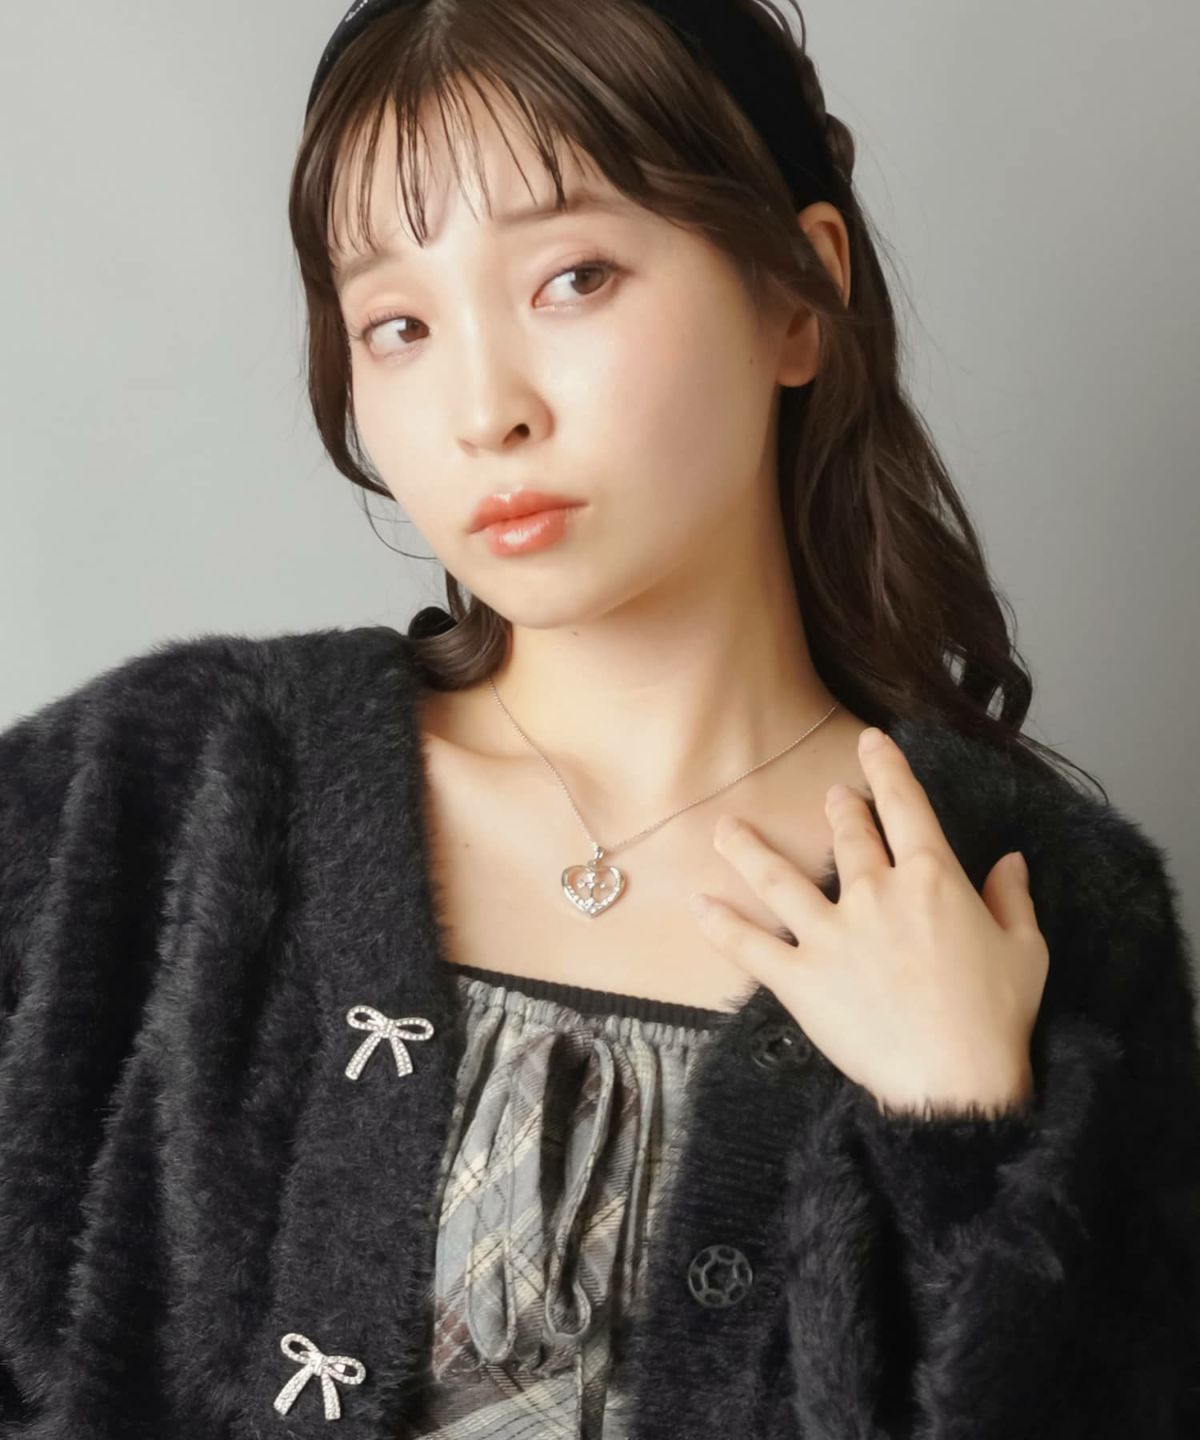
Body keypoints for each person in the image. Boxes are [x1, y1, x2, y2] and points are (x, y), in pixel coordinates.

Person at [1, 1, 1198, 1436]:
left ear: (799, 296)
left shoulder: (1044, 906)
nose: (484, 408)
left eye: (574, 278)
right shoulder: (161, 792)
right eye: (397, 324)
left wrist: (966, 1134)